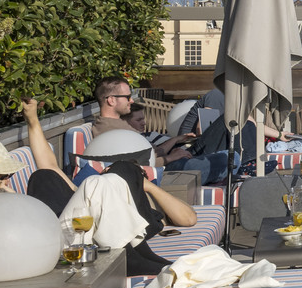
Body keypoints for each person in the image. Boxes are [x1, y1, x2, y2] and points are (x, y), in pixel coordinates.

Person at [21, 99, 196, 275]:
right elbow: (49, 166)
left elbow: (188, 219)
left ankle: (137, 256)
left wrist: (148, 186)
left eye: (112, 172)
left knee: (105, 177)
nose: (106, 170)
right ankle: (138, 256)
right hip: (70, 238)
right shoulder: (93, 190)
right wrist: (32, 118)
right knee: (44, 176)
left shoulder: (143, 198)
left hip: (89, 240)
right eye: (108, 170)